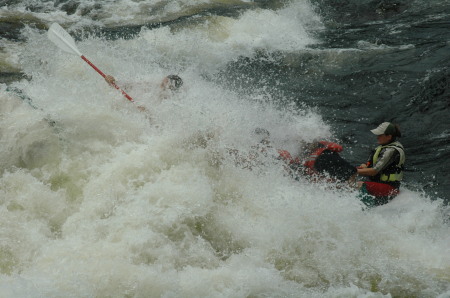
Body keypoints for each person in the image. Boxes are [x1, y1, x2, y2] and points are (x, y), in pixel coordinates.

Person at [356, 122, 405, 206]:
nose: (377, 137)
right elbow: (369, 165)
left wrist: (354, 171)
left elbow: (374, 171)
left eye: (380, 135)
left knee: (359, 184)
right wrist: (365, 166)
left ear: (389, 136)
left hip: (390, 188)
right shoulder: (380, 147)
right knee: (348, 182)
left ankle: (365, 210)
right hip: (379, 184)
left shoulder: (392, 151)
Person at [104, 74, 183, 110]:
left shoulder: (167, 99)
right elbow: (128, 86)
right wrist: (113, 81)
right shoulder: (150, 85)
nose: (164, 82)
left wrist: (146, 110)